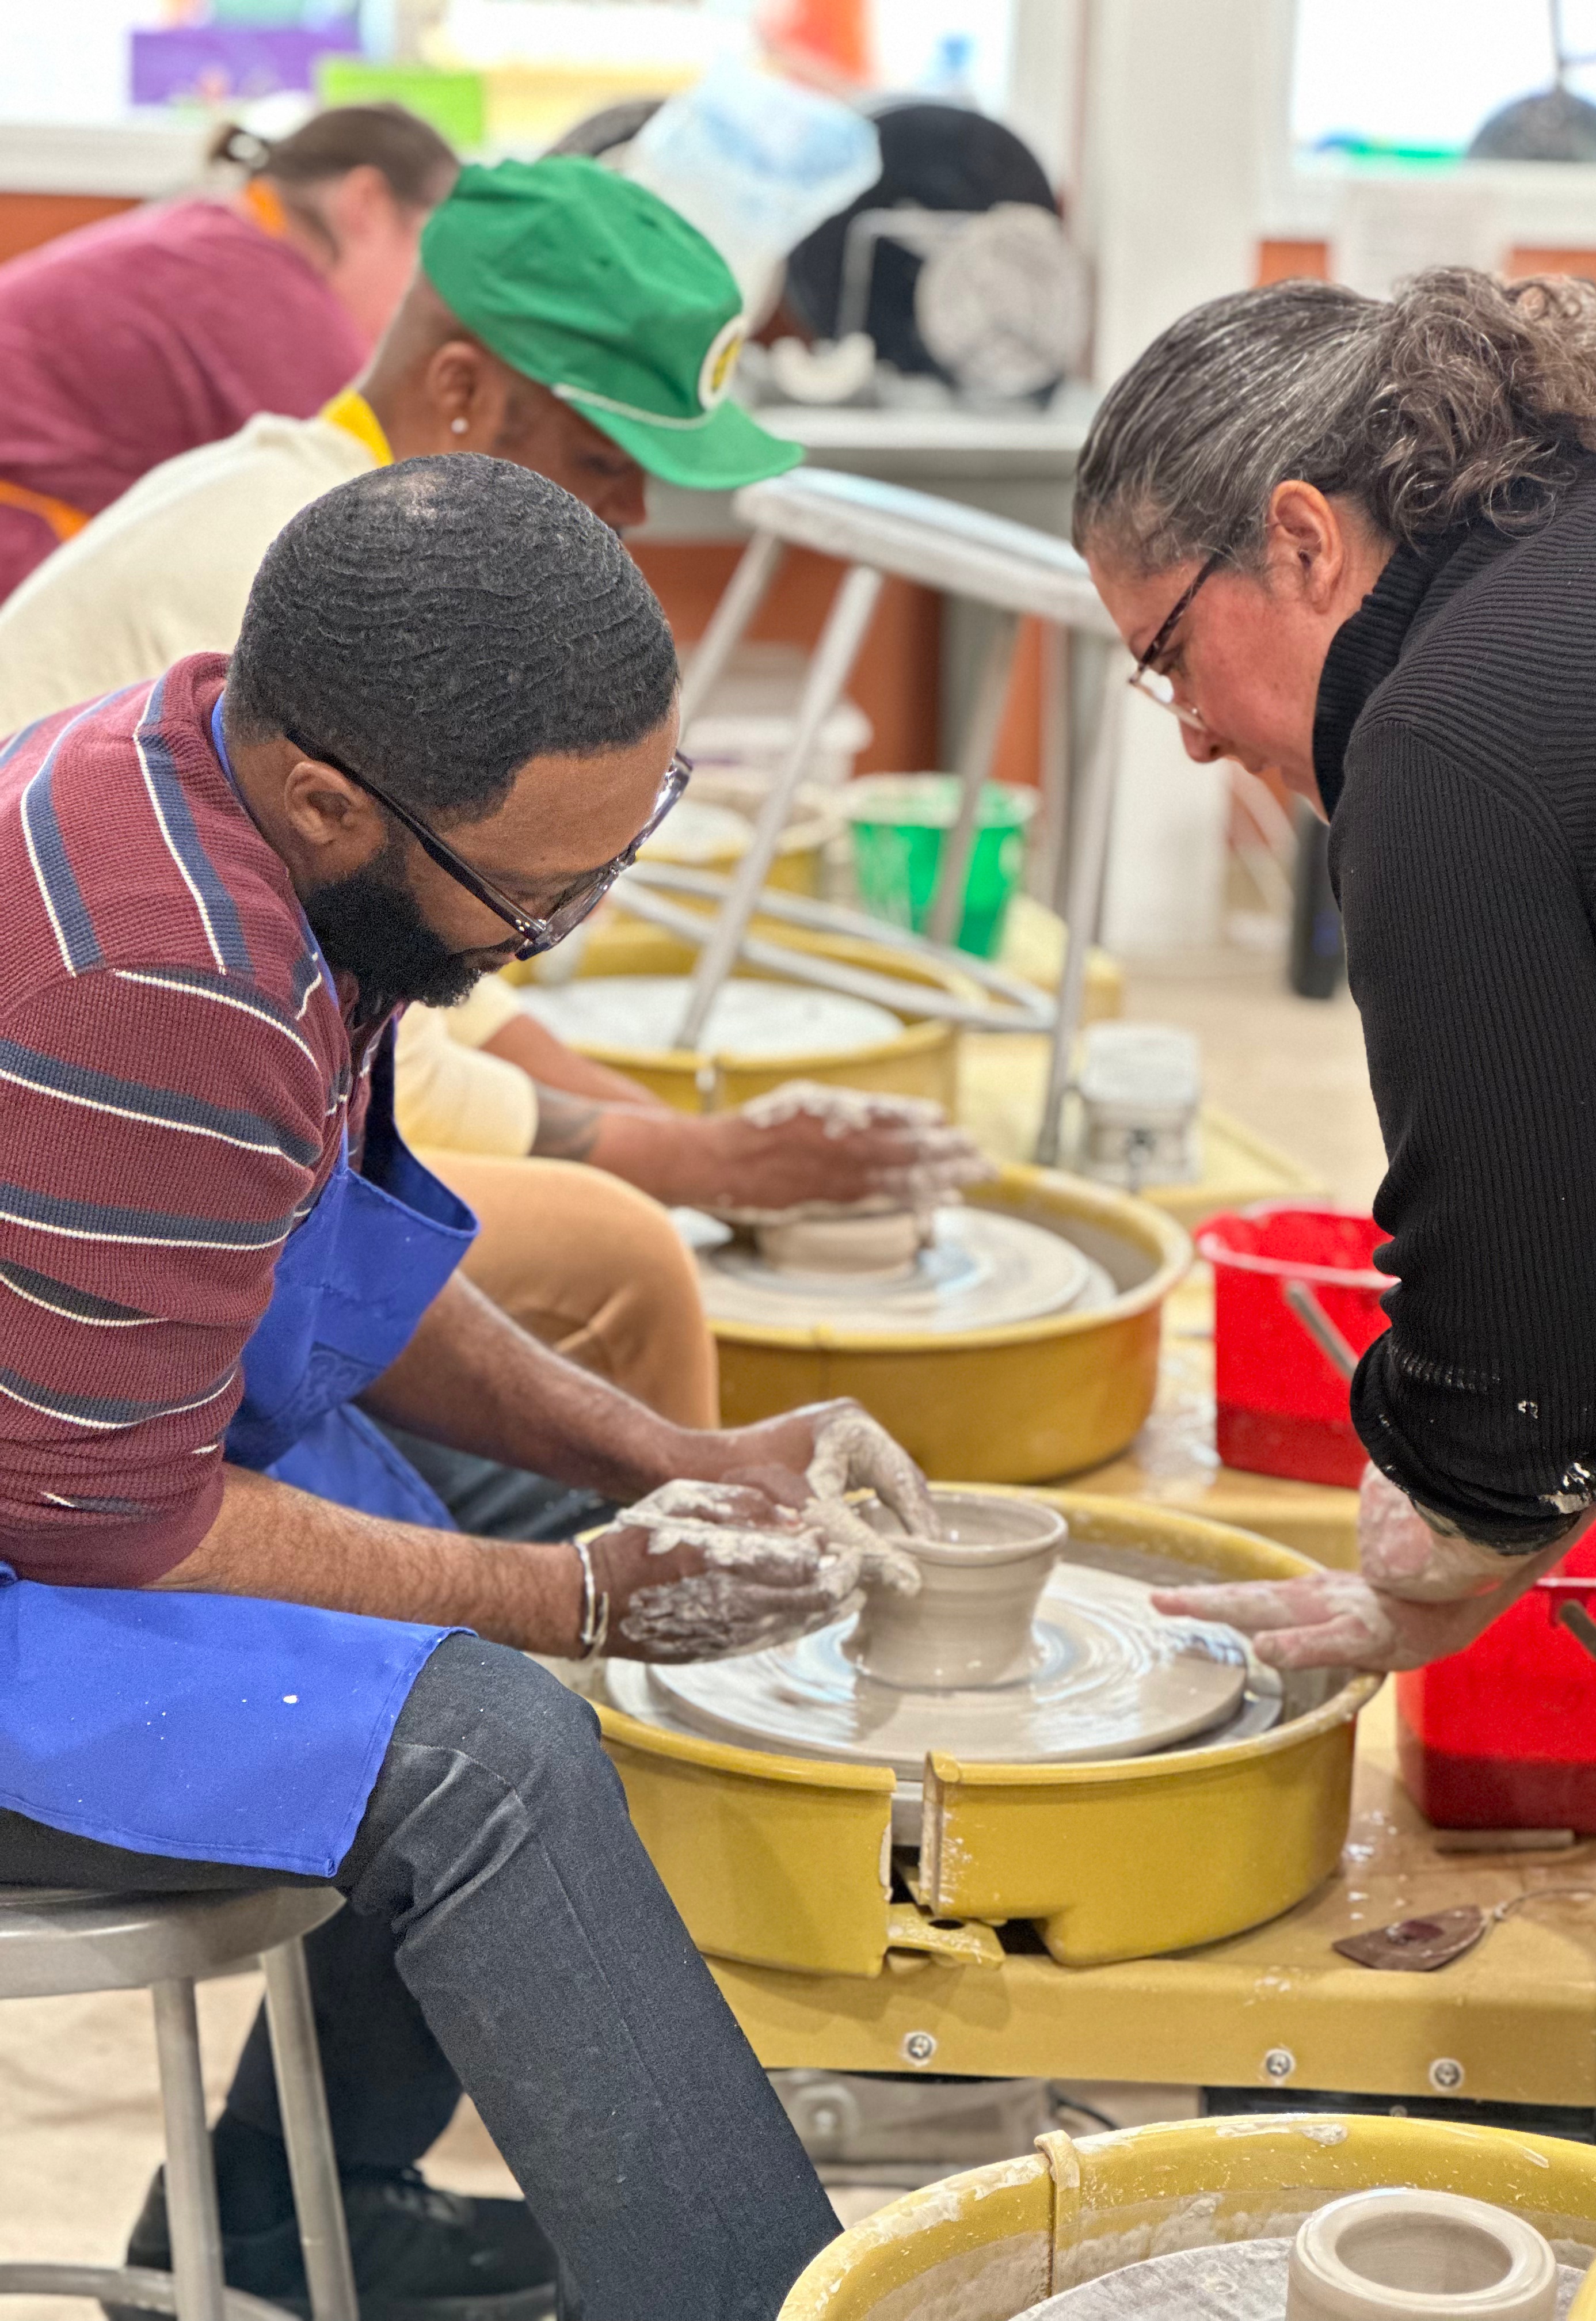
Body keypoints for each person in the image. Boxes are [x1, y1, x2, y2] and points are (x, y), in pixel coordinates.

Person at [0, 455, 934, 2320]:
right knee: (494, 1758)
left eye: (617, 856)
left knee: (591, 1540)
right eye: (536, 893)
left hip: (85, 1442)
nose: (555, 933)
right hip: (66, 1518)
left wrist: (671, 1455)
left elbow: (316, 1254)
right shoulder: (162, 975)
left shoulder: (247, 787)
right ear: (331, 799)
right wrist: (571, 1601)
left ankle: (302, 2214)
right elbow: (121, 1523)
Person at [1070, 265, 1596, 2165]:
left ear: (1301, 540)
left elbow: (1528, 1341)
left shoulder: (1440, 734)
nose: (1191, 736)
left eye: (1166, 656)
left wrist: (1435, 1538)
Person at [0, 150, 989, 1382]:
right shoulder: (302, 585)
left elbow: (424, 958)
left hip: (198, 1067)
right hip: (74, 1134)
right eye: (602, 459)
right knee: (623, 1261)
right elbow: (380, 1079)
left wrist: (699, 1136)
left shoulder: (332, 512)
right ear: (461, 391)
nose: (633, 512)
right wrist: (709, 1162)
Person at [0, 105, 457, 600]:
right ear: (365, 202)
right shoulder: (268, 293)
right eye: (432, 250)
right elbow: (377, 500)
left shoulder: (214, 234)